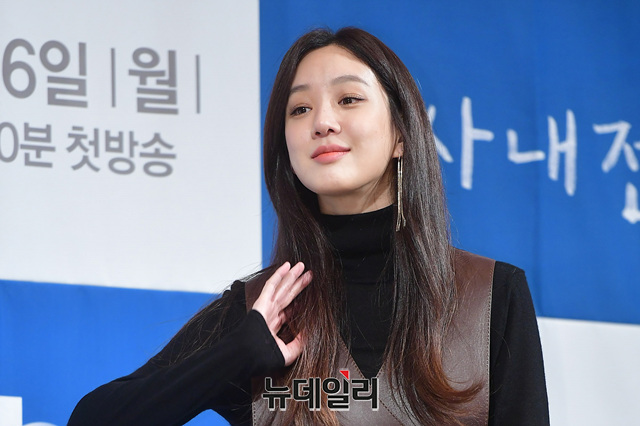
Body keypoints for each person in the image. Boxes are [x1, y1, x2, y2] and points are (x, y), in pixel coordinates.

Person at [68, 27, 549, 425]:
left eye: (349, 99)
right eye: (300, 109)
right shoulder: (260, 311)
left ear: (401, 134)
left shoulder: (491, 296)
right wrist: (233, 357)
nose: (322, 122)